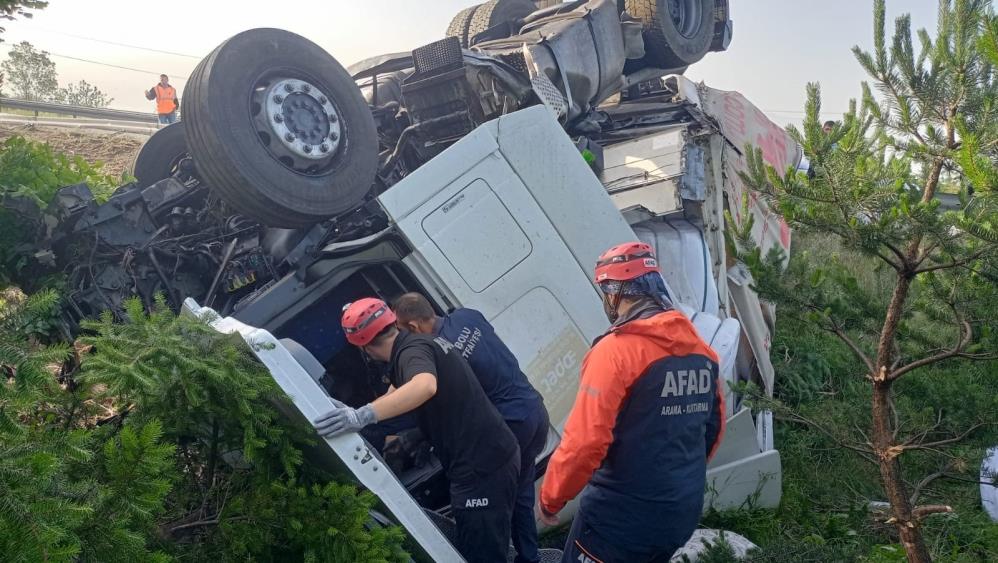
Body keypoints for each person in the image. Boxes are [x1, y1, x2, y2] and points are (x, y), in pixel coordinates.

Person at [536, 242, 726, 563]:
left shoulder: (615, 353)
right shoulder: (702, 353)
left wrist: (551, 499)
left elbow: (585, 442)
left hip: (620, 518)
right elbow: (713, 430)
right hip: (679, 512)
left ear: (614, 292)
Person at [313, 298, 520, 563]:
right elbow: (398, 390)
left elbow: (424, 386)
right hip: (491, 455)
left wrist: (361, 415)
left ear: (363, 346)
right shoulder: (414, 344)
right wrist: (357, 411)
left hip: (481, 467)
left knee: (483, 556)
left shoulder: (411, 354)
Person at [393, 292, 551, 563]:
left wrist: (409, 437)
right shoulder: (468, 316)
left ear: (413, 328)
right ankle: (529, 557)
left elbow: (453, 404)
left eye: (402, 332)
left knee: (493, 505)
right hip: (534, 410)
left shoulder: (440, 351)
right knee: (522, 490)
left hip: (510, 424)